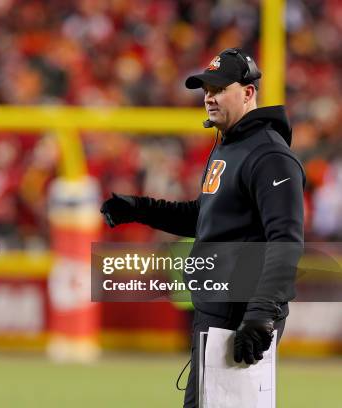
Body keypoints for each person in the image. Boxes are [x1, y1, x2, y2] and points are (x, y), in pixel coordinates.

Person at [100, 48, 305, 407]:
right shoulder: (230, 146)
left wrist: (259, 315)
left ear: (248, 92)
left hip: (240, 313)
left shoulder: (270, 156)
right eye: (205, 90)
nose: (208, 97)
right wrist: (140, 208)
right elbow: (207, 217)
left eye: (219, 88)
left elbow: (285, 241)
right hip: (217, 309)